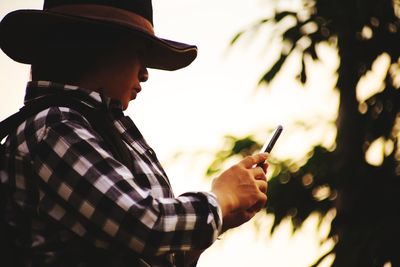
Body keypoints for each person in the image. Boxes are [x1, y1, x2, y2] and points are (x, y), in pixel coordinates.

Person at [0, 1, 269, 266]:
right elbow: (147, 226)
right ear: (98, 47)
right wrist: (222, 198)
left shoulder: (90, 126)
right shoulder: (56, 127)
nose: (145, 74)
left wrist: (222, 217)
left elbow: (151, 251)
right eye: (139, 53)